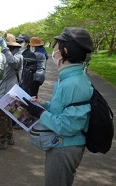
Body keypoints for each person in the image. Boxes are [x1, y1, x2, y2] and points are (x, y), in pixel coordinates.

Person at [22, 27, 94, 186]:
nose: (53, 51)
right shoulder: (70, 77)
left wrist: (40, 113)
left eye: (55, 47)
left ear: (65, 51)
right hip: (61, 143)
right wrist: (45, 104)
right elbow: (66, 108)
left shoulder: (74, 82)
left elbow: (69, 125)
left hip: (65, 147)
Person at [0, 33, 23, 149]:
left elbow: (13, 62)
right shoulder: (7, 55)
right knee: (8, 115)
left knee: (1, 117)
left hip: (10, 91)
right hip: (4, 90)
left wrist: (4, 47)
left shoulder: (18, 56)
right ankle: (8, 137)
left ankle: (2, 141)